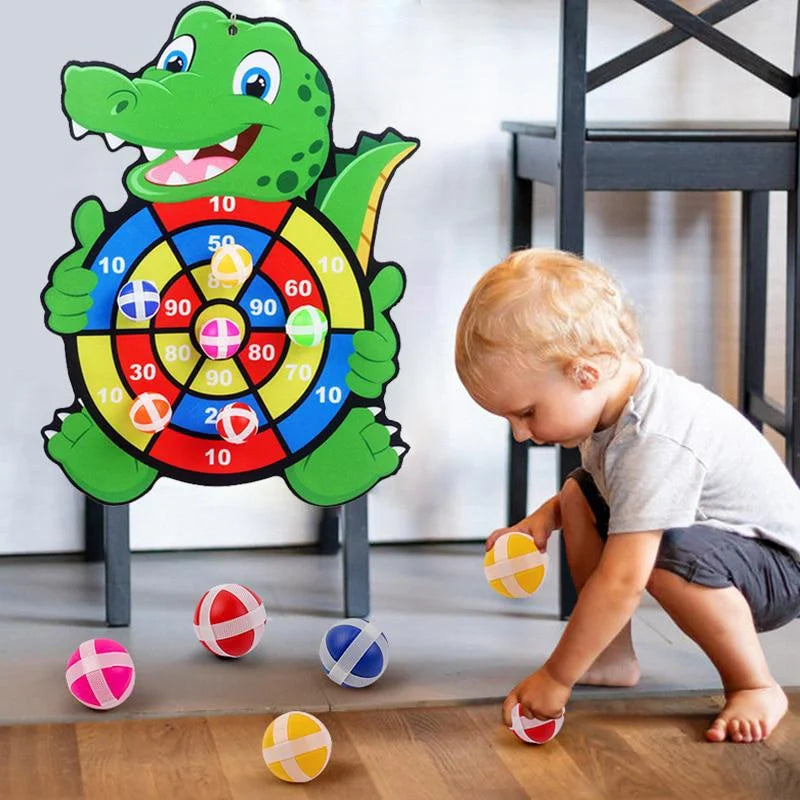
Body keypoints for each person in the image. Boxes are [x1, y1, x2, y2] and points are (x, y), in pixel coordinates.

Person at [454, 248, 800, 743]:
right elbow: (604, 487)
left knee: (655, 555)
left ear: (585, 374)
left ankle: (755, 684)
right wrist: (547, 516)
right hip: (726, 545)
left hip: (780, 569)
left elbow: (623, 581)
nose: (520, 434)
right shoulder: (615, 402)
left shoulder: (653, 437)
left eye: (527, 413)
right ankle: (611, 654)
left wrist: (556, 677)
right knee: (577, 495)